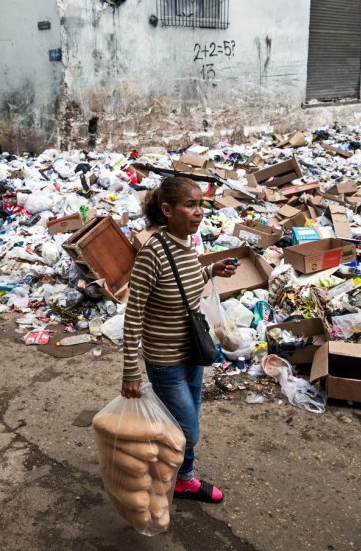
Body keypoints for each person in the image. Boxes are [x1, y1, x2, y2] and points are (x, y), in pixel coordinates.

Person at [121, 176, 236, 504]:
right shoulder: (152, 253)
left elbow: (184, 282)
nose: (199, 212)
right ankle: (159, 468)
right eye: (191, 205)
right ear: (168, 210)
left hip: (192, 354)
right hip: (164, 360)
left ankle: (182, 479)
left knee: (185, 419)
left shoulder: (187, 244)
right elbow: (134, 316)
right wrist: (131, 371)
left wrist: (212, 270)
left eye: (201, 204)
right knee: (188, 431)